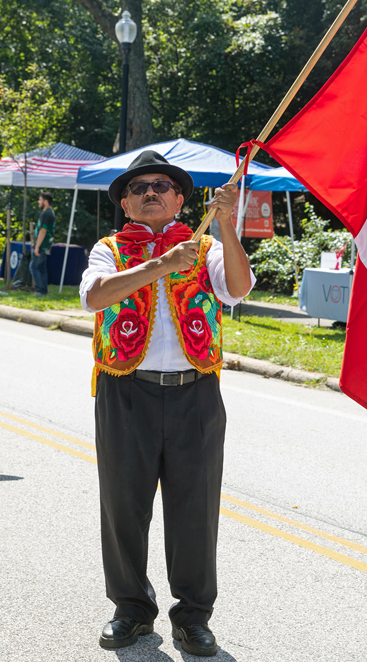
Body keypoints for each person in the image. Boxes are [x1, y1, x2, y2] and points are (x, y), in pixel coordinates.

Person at [79, 150, 255, 655]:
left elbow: (238, 289)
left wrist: (225, 225)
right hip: (124, 390)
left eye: (161, 185)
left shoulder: (204, 247)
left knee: (195, 509)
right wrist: (159, 264)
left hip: (195, 394)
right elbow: (94, 297)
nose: (150, 192)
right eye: (139, 188)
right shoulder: (108, 248)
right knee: (123, 506)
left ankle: (194, 616)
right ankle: (131, 608)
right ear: (127, 205)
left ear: (180, 199)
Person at [29, 191, 56, 296]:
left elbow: (43, 231)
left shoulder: (47, 213)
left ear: (45, 201)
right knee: (41, 268)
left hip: (42, 246)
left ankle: (40, 291)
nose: (38, 201)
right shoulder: (50, 212)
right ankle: (43, 290)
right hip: (44, 245)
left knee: (34, 267)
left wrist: (37, 247)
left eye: (40, 200)